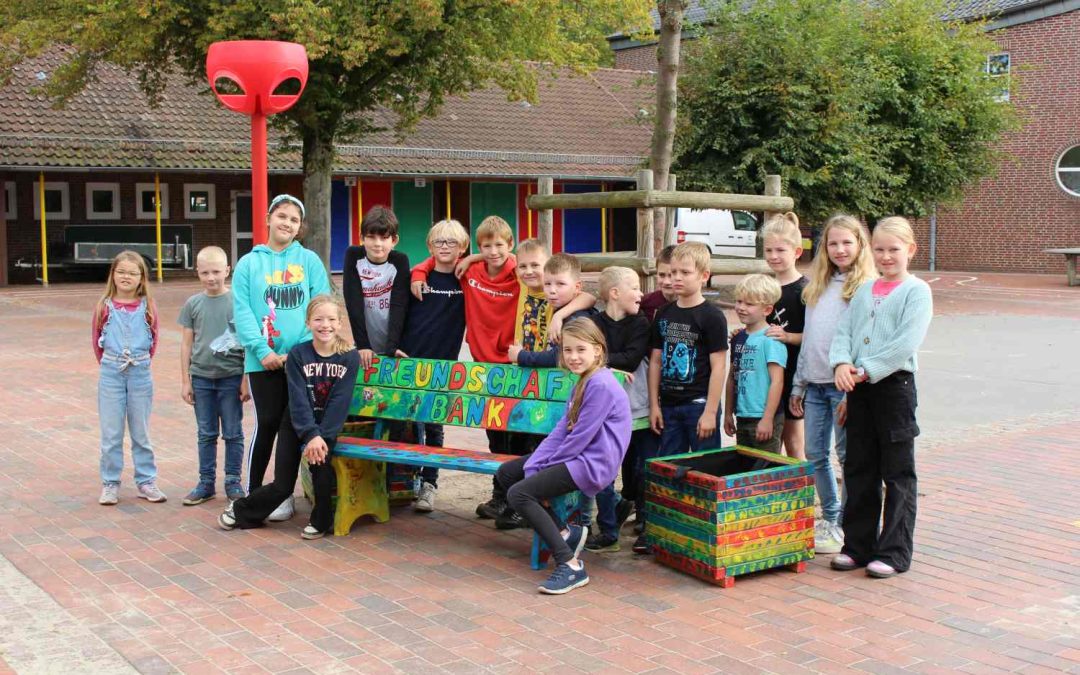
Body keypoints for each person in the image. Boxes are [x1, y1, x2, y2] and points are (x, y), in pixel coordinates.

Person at [493, 318, 631, 594]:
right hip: (578, 455)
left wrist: (544, 469)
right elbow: (561, 431)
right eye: (567, 350)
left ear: (598, 350)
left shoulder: (601, 385)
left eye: (581, 350)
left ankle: (570, 566)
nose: (573, 357)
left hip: (592, 463)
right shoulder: (583, 381)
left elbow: (579, 438)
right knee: (507, 474)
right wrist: (535, 464)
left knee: (519, 494)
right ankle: (565, 531)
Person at [829, 217, 932, 579]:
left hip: (894, 389)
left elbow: (905, 342)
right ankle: (857, 545)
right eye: (880, 250)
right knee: (859, 468)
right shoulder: (865, 290)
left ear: (910, 251)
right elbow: (845, 331)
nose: (887, 256)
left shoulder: (916, 291)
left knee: (897, 472)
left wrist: (865, 368)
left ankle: (894, 551)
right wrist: (841, 362)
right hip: (858, 389)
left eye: (894, 250)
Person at [219, 295, 360, 539]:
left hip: (326, 428)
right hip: (295, 424)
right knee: (282, 485)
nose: (324, 325)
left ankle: (321, 521)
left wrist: (321, 437)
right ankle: (242, 508)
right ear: (307, 323)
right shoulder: (298, 354)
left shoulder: (349, 357)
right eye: (318, 319)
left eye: (330, 319)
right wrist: (309, 434)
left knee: (322, 473)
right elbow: (297, 399)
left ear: (339, 323)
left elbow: (340, 401)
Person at [232, 194, 331, 522]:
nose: (287, 223)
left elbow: (321, 306)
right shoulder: (249, 263)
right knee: (268, 423)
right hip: (262, 362)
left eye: (293, 219)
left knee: (294, 425)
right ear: (268, 218)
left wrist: (299, 352)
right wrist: (264, 352)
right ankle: (254, 495)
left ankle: (283, 493)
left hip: (302, 361)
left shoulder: (309, 262)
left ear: (299, 227)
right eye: (282, 216)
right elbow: (243, 311)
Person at [789, 214, 877, 554]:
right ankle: (830, 515)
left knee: (846, 455)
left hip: (844, 386)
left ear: (860, 245)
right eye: (833, 243)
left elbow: (862, 340)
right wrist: (799, 383)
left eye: (847, 243)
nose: (840, 249)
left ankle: (847, 523)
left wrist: (852, 389)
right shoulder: (818, 286)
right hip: (813, 383)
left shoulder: (865, 287)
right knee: (814, 454)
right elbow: (811, 337)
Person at [396, 219, 469, 512]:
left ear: (463, 247)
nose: (444, 247)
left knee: (434, 424)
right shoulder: (418, 278)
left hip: (443, 365)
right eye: (439, 242)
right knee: (405, 422)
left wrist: (473, 258)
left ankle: (430, 483)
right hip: (411, 359)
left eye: (451, 242)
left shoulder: (467, 279)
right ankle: (403, 481)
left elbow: (500, 262)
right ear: (430, 246)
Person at [586, 266, 654, 554]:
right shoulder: (595, 322)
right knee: (603, 468)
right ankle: (609, 527)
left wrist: (604, 363)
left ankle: (644, 523)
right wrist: (607, 364)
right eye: (634, 287)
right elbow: (586, 354)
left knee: (639, 468)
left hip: (637, 407)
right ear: (615, 293)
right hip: (605, 410)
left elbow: (631, 358)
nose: (641, 293)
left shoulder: (640, 324)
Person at [93, 251, 166, 505]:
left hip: (140, 373)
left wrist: (140, 363)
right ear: (113, 275)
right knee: (111, 433)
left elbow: (153, 340)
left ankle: (146, 480)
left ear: (141, 278)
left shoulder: (148, 307)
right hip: (112, 373)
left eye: (133, 273)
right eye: (121, 271)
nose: (126, 277)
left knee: (141, 431)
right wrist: (111, 364)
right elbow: (97, 343)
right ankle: (110, 483)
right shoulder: (104, 306)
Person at [179, 246, 249, 505]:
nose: (211, 277)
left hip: (231, 377)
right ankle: (206, 482)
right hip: (201, 378)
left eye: (216, 271)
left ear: (227, 271)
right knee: (206, 433)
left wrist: (245, 379)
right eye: (205, 272)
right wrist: (186, 380)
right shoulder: (193, 304)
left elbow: (248, 343)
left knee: (233, 432)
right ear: (197, 272)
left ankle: (233, 481)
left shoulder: (238, 302)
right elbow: (186, 343)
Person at [648, 242, 729, 455]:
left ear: (704, 275)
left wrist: (711, 412)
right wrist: (654, 405)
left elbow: (719, 367)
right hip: (668, 406)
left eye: (685, 272)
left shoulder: (712, 316)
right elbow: (656, 361)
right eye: (673, 272)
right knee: (670, 469)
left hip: (699, 404)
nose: (676, 277)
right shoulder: (663, 313)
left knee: (705, 468)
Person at [761, 213, 808, 459]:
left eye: (780, 249)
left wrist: (788, 337)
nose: (773, 256)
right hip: (767, 374)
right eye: (768, 250)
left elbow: (815, 337)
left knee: (793, 442)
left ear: (797, 252)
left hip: (794, 374)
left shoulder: (806, 290)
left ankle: (804, 492)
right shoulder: (765, 287)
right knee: (770, 441)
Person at [723, 274, 787, 453]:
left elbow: (777, 381)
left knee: (765, 470)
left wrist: (768, 418)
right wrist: (728, 413)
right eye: (738, 301)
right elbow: (732, 377)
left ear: (767, 310)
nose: (741, 308)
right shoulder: (738, 337)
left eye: (749, 304)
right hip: (742, 415)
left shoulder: (771, 339)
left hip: (764, 416)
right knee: (745, 466)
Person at [343, 205, 411, 370]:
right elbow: (353, 303)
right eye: (371, 237)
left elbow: (399, 305)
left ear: (394, 240)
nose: (377, 244)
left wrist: (392, 347)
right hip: (366, 342)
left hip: (395, 341)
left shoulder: (400, 261)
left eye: (384, 238)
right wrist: (363, 345)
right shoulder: (353, 256)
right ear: (362, 238)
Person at [639, 245, 677, 322]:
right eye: (662, 275)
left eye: (671, 276)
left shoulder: (691, 305)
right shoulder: (645, 302)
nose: (666, 282)